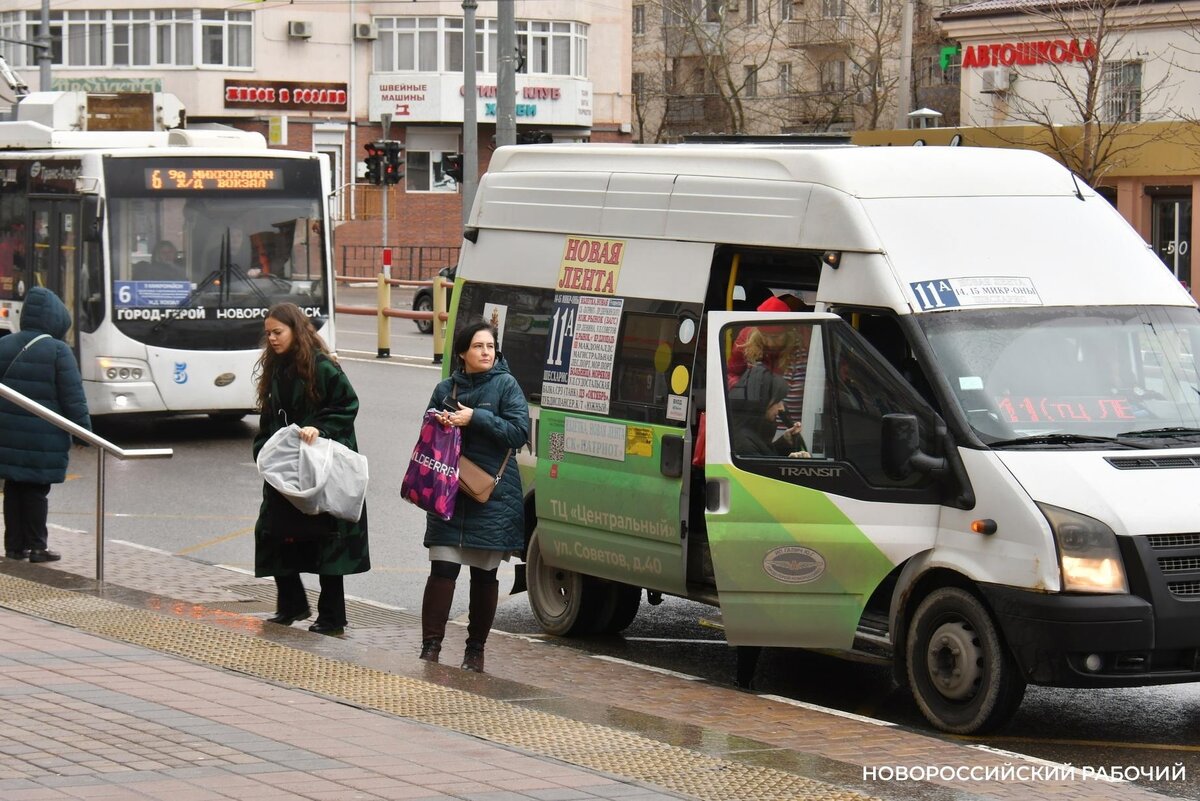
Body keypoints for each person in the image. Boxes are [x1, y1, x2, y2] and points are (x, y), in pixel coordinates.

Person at [252, 303, 370, 636]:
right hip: (287, 466)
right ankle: (291, 604)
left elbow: (347, 404)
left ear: (295, 331)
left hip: (321, 467)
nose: (272, 339)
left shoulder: (321, 366)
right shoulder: (276, 367)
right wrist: (263, 448)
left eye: (278, 332)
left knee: (326, 540)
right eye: (269, 333)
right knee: (271, 532)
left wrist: (319, 428)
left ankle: (332, 618)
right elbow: (269, 416)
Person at [421, 321, 529, 672]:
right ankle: (430, 648)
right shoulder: (445, 388)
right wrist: (441, 422)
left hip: (492, 497)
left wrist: (475, 419)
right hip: (448, 492)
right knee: (442, 568)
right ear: (463, 353)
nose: (486, 352)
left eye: (490, 346)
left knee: (484, 575)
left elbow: (518, 432)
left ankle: (475, 651)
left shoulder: (506, 385)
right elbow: (426, 433)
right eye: (479, 346)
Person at [0, 287, 92, 562]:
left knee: (14, 487)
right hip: (42, 438)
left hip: (6, 435)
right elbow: (73, 397)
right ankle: (38, 546)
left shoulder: (4, 344)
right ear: (56, 318)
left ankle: (14, 547)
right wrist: (83, 433)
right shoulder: (57, 351)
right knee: (36, 490)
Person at [729, 365, 808, 458]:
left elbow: (765, 454)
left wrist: (784, 443)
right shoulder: (743, 444)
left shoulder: (753, 433)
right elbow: (759, 470)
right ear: (762, 403)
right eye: (777, 401)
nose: (781, 408)